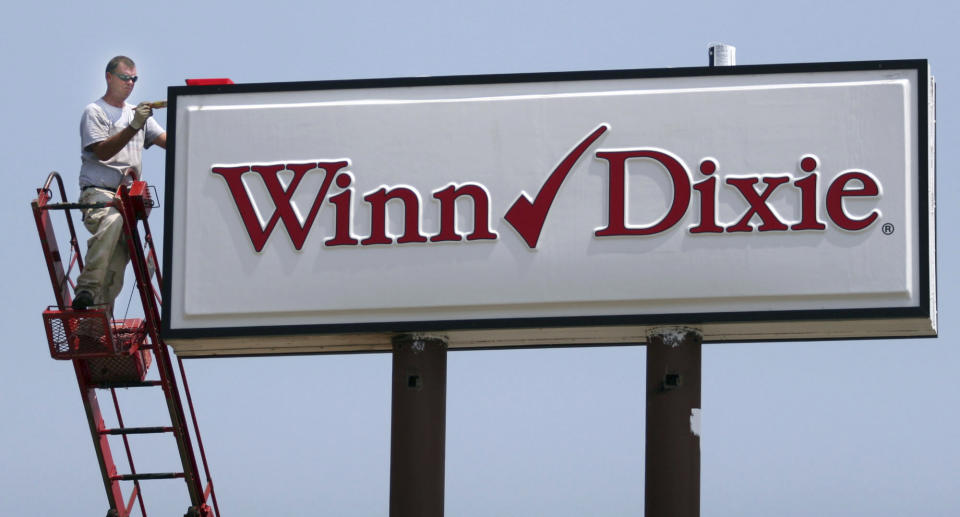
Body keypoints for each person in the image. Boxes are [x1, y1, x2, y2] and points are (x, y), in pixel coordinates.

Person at [72, 56, 166, 312]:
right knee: (111, 222)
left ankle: (98, 321)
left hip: (126, 202)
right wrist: (135, 126)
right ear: (109, 77)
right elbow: (102, 152)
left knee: (116, 262)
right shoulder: (96, 112)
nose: (130, 83)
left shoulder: (137, 114)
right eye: (125, 78)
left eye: (134, 79)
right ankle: (86, 290)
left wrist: (194, 118)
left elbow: (170, 141)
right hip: (99, 194)